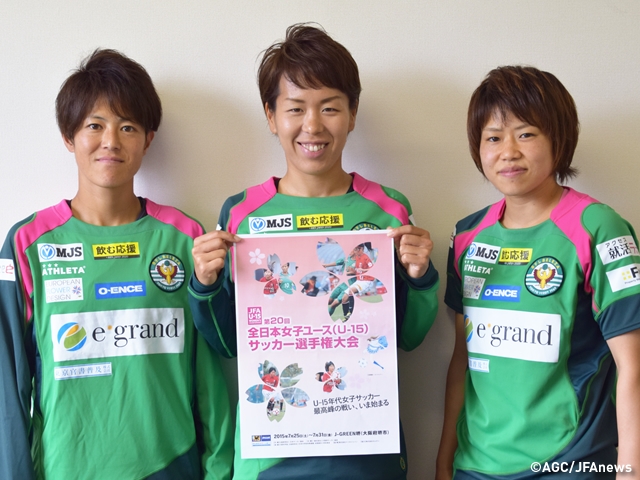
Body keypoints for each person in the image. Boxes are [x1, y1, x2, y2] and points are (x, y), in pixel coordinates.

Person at [189, 23, 439, 479]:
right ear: (271, 116)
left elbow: (408, 336)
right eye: (295, 108)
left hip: (367, 452)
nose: (313, 126)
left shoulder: (388, 210)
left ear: (353, 113)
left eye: (329, 107)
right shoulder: (241, 213)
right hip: (271, 458)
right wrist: (204, 286)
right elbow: (227, 345)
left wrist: (421, 277)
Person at [0, 49, 233, 480]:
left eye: (128, 127)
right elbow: (7, 384)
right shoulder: (26, 244)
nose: (111, 141)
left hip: (172, 466)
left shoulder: (184, 237)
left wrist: (220, 468)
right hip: (66, 468)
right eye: (95, 125)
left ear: (148, 139)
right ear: (69, 136)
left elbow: (208, 373)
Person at [435, 66, 640, 479]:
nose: (508, 151)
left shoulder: (598, 227)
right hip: (476, 466)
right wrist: (444, 461)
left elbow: (633, 366)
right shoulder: (467, 235)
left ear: (558, 140)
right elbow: (462, 362)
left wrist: (630, 469)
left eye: (526, 134)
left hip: (571, 462)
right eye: (493, 137)